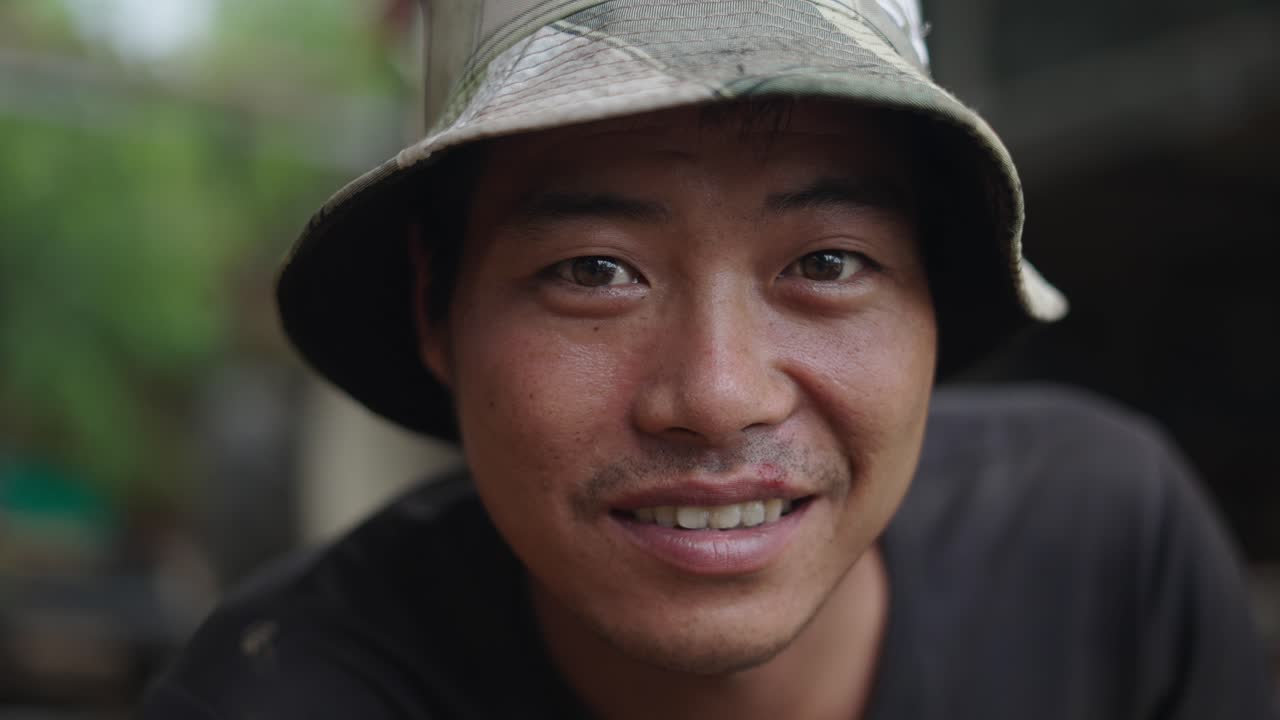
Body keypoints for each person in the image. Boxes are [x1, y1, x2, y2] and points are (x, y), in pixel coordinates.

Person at [141, 1, 1278, 718]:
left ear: (933, 298)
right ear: (437, 315)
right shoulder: (279, 690)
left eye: (828, 262)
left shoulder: (1104, 549)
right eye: (593, 271)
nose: (719, 394)